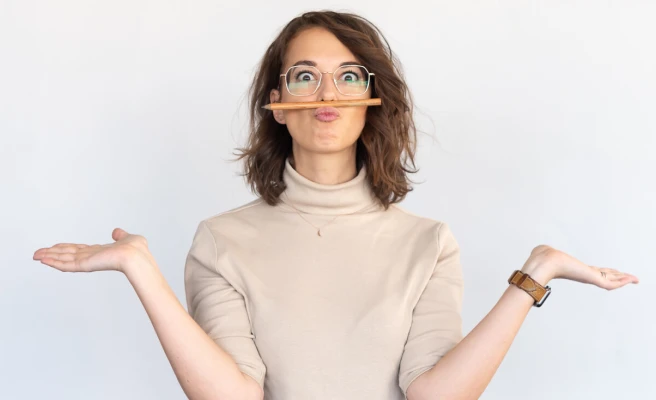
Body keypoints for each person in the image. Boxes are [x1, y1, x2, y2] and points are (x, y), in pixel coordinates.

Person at [32, 10, 640, 400]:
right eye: (304, 75)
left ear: (374, 96)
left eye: (350, 76)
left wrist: (533, 277)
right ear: (277, 99)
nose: (327, 93)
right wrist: (142, 270)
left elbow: (434, 396)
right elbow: (234, 398)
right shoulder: (221, 241)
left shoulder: (429, 242)